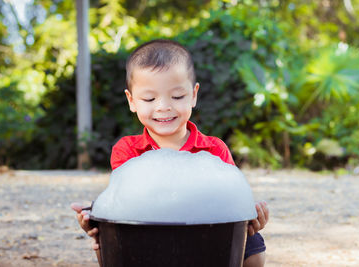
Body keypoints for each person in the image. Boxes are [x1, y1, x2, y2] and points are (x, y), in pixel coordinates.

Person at [71, 39, 269, 267]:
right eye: (149, 99)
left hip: (206, 234)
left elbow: (229, 202)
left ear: (193, 95)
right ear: (131, 100)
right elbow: (126, 202)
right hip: (148, 233)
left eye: (177, 97)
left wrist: (248, 215)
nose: (163, 106)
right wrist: (95, 219)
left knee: (253, 246)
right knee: (103, 243)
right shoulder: (127, 149)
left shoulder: (214, 149)